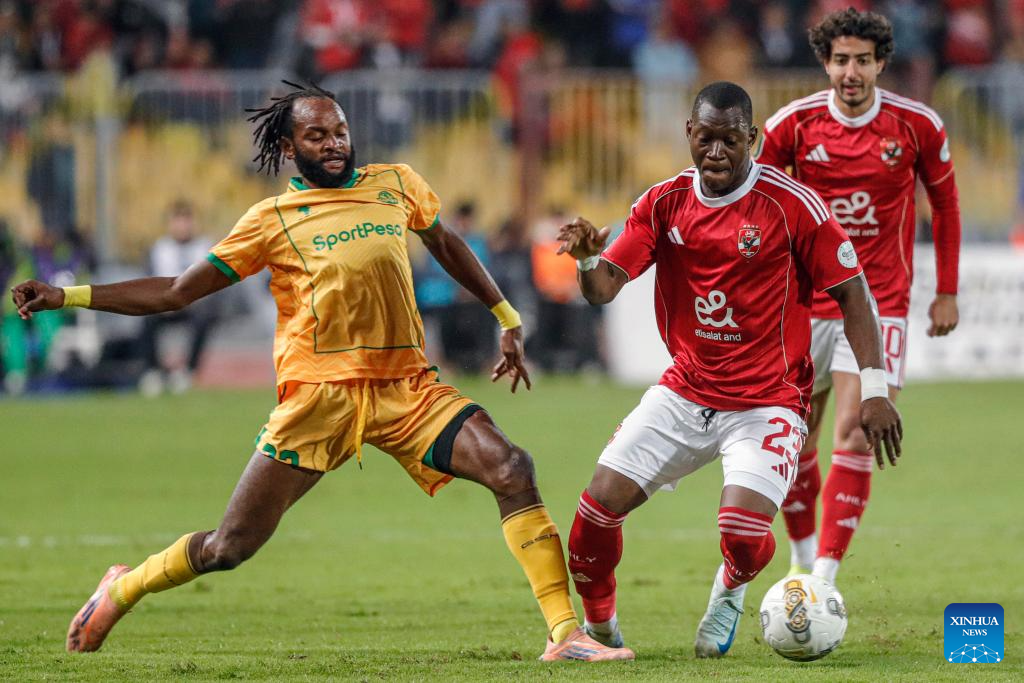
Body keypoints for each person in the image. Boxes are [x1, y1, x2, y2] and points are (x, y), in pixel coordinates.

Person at [10, 82, 632, 663]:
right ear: (288, 148)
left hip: (405, 387)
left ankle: (564, 633)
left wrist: (505, 315)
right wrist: (70, 296)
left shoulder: (396, 184)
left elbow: (444, 244)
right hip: (319, 400)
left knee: (511, 467)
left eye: (340, 132)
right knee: (230, 546)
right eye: (317, 136)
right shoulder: (271, 220)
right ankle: (124, 587)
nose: (334, 144)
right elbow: (176, 291)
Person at [555, 81, 902, 658]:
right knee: (593, 514)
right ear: (690, 133)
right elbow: (602, 290)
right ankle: (602, 632)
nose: (716, 152)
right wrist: (589, 257)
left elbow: (853, 295)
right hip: (685, 391)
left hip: (768, 401)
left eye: (730, 140)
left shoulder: (792, 206)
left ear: (753, 139)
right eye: (706, 138)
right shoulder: (663, 202)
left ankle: (730, 590)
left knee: (741, 535)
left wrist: (874, 389)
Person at [755, 8, 960, 584]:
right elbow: (758, 208)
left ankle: (823, 579)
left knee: (856, 429)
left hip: (880, 302)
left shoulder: (917, 126)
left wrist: (946, 290)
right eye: (841, 60)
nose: (851, 72)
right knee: (795, 438)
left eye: (863, 61)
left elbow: (945, 206)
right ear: (825, 63)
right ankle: (801, 561)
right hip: (804, 304)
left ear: (881, 64)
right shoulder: (791, 126)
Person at [137, 200, 218, 395]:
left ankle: (187, 372)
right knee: (145, 317)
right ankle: (153, 372)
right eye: (177, 221)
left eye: (186, 221)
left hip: (194, 304)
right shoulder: (159, 248)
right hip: (165, 304)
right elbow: (150, 280)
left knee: (204, 318)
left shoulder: (205, 247)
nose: (182, 226)